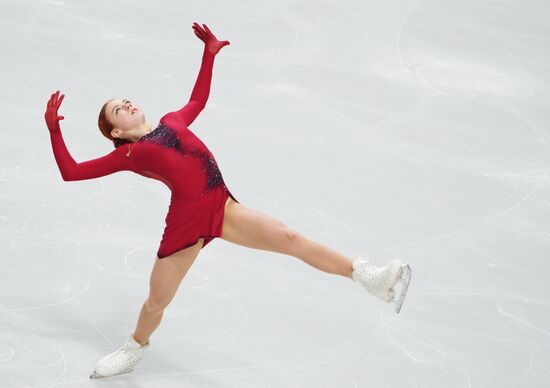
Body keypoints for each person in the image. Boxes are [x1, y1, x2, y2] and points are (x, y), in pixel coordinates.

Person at [44, 22, 411, 379]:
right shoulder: (129, 155)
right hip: (185, 227)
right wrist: (55, 130)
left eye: (125, 100)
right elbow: (72, 172)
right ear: (117, 131)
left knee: (290, 239)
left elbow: (197, 99)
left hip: (221, 207)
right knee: (157, 302)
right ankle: (133, 348)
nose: (126, 104)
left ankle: (369, 277)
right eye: (117, 110)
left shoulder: (173, 121)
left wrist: (209, 54)